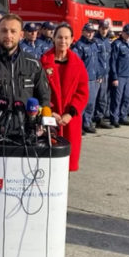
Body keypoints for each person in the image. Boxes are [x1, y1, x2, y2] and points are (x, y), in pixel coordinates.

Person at [39, 23, 89, 171]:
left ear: (72, 39)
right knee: (47, 161)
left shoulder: (78, 64)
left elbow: (82, 92)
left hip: (69, 120)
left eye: (66, 38)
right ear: (53, 38)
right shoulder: (43, 61)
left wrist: (70, 113)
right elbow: (38, 90)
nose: (63, 41)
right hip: (49, 117)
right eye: (60, 37)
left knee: (66, 162)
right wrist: (49, 111)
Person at [72, 22, 102, 133]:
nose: (90, 34)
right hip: (84, 79)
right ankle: (78, 126)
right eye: (88, 32)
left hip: (94, 78)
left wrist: (99, 74)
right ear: (83, 32)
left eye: (92, 32)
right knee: (82, 104)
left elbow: (97, 61)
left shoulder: (94, 44)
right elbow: (76, 63)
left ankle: (87, 123)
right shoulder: (79, 45)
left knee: (91, 103)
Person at [109, 24, 129, 127]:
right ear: (123, 33)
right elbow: (112, 62)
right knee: (117, 99)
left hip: (128, 76)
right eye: (127, 34)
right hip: (119, 76)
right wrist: (114, 77)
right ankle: (114, 119)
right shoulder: (117, 44)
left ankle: (123, 117)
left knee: (126, 98)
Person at [93, 18, 114, 129]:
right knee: (93, 98)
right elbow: (94, 59)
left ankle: (99, 119)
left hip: (106, 74)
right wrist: (98, 73)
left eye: (106, 28)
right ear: (99, 28)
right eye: (102, 28)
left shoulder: (107, 41)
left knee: (103, 98)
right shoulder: (95, 41)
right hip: (97, 75)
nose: (104, 31)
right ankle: (88, 120)